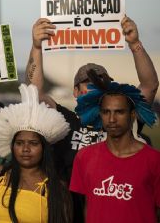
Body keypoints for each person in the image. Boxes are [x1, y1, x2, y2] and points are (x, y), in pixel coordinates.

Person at [26, 16, 159, 182]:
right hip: (70, 205)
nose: (95, 89)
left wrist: (135, 44)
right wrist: (36, 47)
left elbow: (150, 85)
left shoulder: (120, 121)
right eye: (88, 84)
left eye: (101, 84)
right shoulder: (63, 120)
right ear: (75, 91)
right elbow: (34, 94)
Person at [70, 81, 160, 223]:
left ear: (132, 115)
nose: (112, 119)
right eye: (106, 112)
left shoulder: (154, 160)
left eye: (119, 112)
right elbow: (89, 207)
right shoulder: (84, 157)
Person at [0, 84, 72, 223]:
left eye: (33, 143)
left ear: (44, 148)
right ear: (12, 146)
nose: (25, 149)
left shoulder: (56, 189)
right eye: (19, 143)